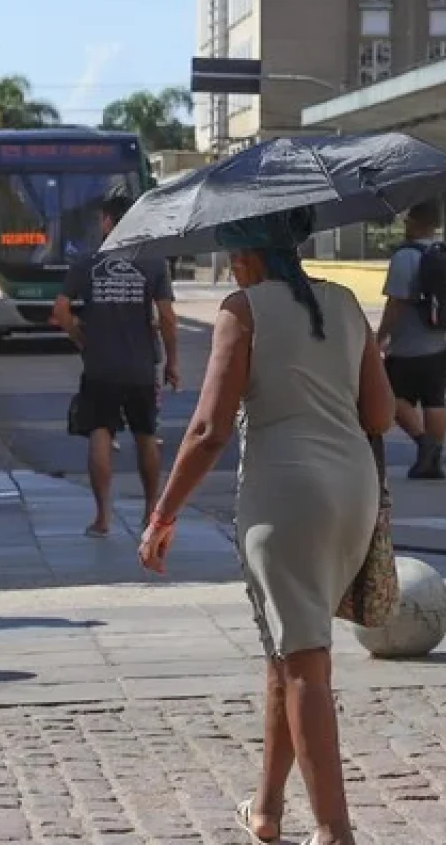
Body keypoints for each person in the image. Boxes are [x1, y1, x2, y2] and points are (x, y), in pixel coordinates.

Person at [139, 207, 392, 845]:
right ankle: (267, 810)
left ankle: (335, 832)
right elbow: (382, 412)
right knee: (287, 652)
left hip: (285, 498)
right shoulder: (345, 303)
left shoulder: (242, 308)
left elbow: (207, 429)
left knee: (305, 661)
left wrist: (163, 514)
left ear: (245, 253)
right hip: (353, 488)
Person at [51, 189, 178, 538]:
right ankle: (151, 512)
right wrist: (172, 363)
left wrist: (81, 339)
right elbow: (167, 318)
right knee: (146, 435)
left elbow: (60, 311)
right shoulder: (154, 263)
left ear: (106, 222)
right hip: (140, 367)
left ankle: (103, 518)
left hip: (100, 368)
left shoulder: (87, 263)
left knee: (100, 434)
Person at [380, 201, 446, 480]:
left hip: (412, 346)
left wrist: (381, 336)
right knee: (435, 399)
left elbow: (396, 302)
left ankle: (424, 443)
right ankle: (433, 460)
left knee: (390, 396)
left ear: (413, 223)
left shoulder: (406, 257)